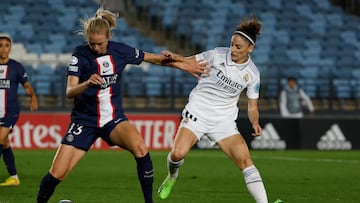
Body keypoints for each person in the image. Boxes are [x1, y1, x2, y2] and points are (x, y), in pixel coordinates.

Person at [36, 9, 208, 203]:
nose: (96, 48)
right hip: (84, 121)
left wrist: (184, 64)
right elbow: (69, 91)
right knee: (58, 173)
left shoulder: (120, 51)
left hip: (113, 119)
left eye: (100, 43)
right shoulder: (80, 55)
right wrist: (86, 83)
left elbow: (156, 59)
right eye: (92, 43)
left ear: (108, 37)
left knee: (141, 148)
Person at [157, 16, 268, 203]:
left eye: (238, 47)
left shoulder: (253, 74)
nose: (233, 49)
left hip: (223, 122)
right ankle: (172, 176)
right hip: (198, 113)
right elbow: (190, 61)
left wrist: (255, 122)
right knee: (177, 154)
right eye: (232, 44)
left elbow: (252, 105)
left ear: (251, 48)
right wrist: (175, 57)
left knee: (246, 162)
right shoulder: (217, 55)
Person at [0, 34, 38, 186]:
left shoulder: (16, 67)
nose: (3, 49)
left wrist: (33, 98)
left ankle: (14, 177)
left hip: (10, 111)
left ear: (10, 48)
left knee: (0, 139)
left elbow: (27, 86)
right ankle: (14, 177)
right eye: (0, 45)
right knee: (5, 143)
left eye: (6, 45)